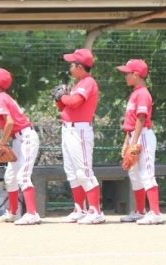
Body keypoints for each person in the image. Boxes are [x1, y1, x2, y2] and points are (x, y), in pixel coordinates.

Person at [0, 68, 41, 225]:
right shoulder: (3, 97)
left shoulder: (0, 99)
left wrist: (1, 144)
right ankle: (13, 212)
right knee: (10, 177)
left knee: (22, 176)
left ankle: (32, 213)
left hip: (27, 138)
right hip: (19, 139)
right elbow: (11, 126)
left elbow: (9, 122)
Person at [56, 49, 104, 224]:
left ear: (80, 67)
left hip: (80, 131)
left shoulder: (88, 82)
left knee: (83, 171)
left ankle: (95, 211)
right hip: (68, 129)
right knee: (72, 172)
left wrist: (64, 96)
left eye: (72, 64)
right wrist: (60, 99)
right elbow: (65, 108)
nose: (70, 67)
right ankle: (80, 209)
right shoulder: (78, 84)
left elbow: (75, 102)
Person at [117, 60, 163, 225]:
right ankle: (140, 211)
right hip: (134, 135)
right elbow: (131, 123)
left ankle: (156, 213)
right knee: (135, 175)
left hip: (143, 136)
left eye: (127, 73)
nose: (125, 75)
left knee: (146, 173)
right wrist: (126, 143)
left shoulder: (142, 93)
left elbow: (141, 118)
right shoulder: (135, 92)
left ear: (136, 75)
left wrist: (134, 143)